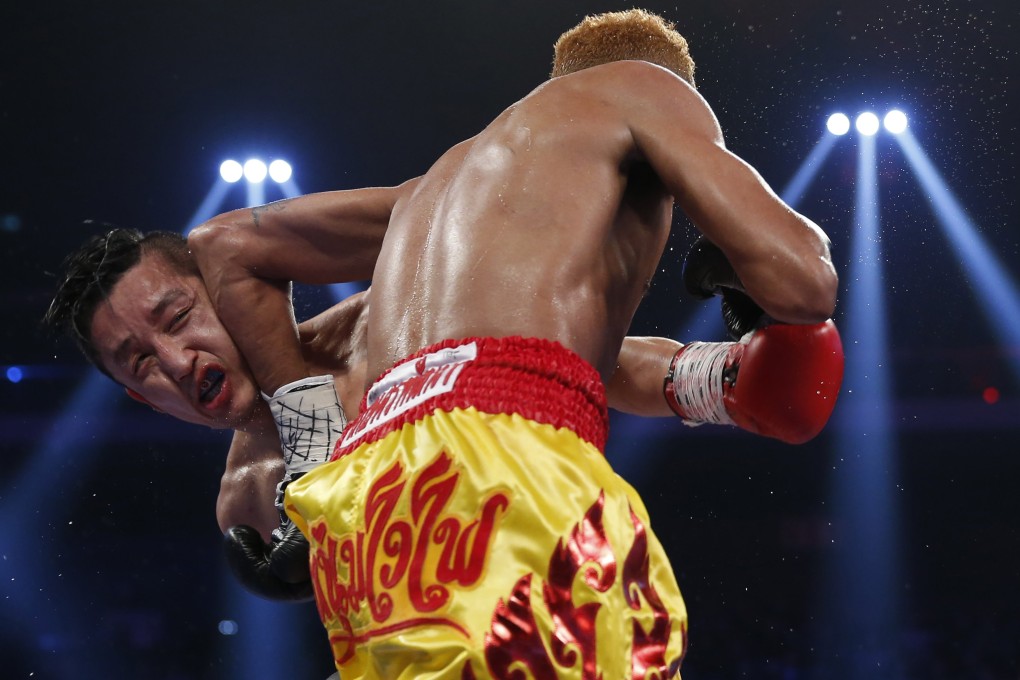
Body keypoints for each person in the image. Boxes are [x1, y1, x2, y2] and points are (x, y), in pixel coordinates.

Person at [186, 8, 840, 678]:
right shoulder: (645, 86)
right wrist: (752, 276)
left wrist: (711, 376)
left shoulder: (443, 184)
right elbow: (804, 282)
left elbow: (227, 243)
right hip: (500, 466)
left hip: (365, 503)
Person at [43, 226, 843, 602]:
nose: (178, 362)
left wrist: (723, 379)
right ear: (133, 395)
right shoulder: (247, 505)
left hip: (575, 609)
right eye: (141, 361)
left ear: (221, 290)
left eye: (179, 317)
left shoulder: (384, 322)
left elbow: (573, 363)